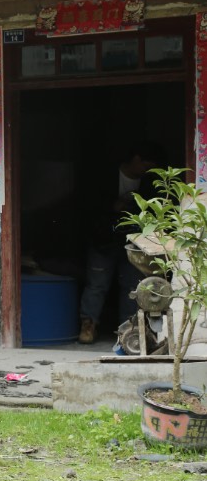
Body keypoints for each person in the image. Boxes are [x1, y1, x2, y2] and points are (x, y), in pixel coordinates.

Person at [78, 141, 166, 344]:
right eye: (145, 166)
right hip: (102, 239)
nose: (147, 171)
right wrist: (113, 207)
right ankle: (88, 325)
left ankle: (126, 331)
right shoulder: (104, 176)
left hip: (134, 241)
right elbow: (89, 206)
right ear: (136, 159)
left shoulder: (149, 181)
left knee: (131, 286)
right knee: (97, 284)